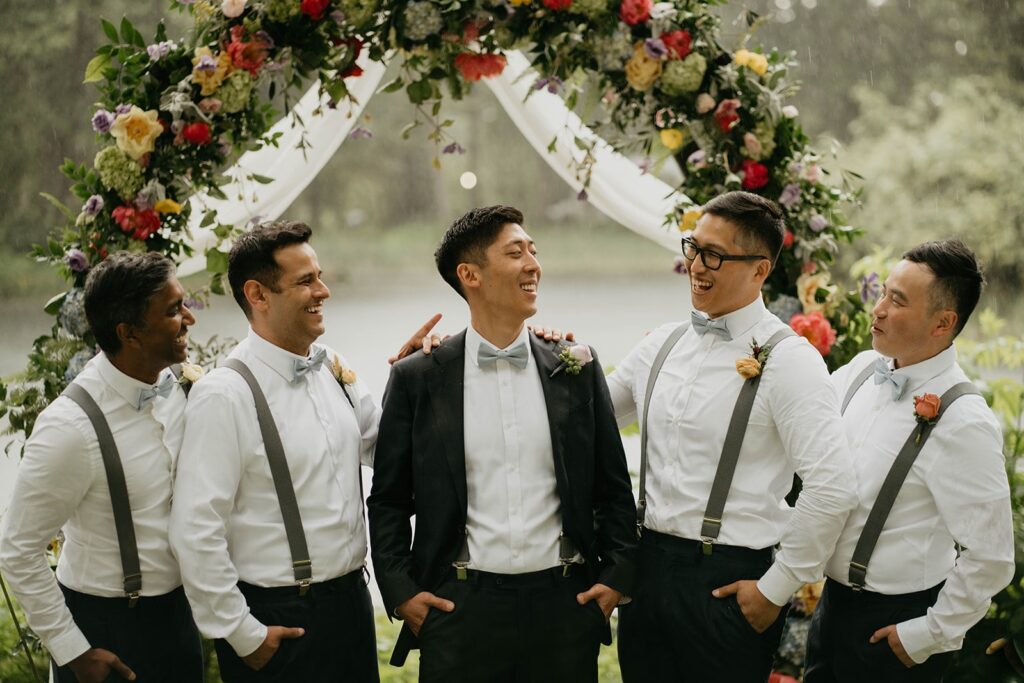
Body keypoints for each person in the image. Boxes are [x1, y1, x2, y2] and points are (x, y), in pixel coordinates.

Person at [368, 205, 637, 683]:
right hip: (459, 611)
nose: (534, 264)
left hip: (563, 608)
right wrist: (401, 590)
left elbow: (613, 485)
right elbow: (388, 499)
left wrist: (615, 576)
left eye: (534, 250)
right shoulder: (417, 377)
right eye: (516, 253)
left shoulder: (575, 366)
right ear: (470, 274)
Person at [608, 191, 858, 681]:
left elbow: (833, 486)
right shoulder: (661, 343)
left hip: (727, 583)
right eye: (693, 248)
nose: (697, 265)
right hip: (647, 573)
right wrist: (545, 353)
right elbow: (586, 416)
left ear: (760, 270)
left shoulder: (790, 360)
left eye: (714, 255)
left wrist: (775, 588)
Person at [169, 221, 381, 682]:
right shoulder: (224, 395)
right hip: (277, 621)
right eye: (306, 281)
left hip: (352, 607)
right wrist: (243, 634)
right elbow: (195, 531)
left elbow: (390, 450)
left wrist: (424, 374)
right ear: (258, 295)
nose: (323, 291)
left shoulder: (334, 369)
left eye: (319, 276)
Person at [803, 239, 1015, 682]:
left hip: (894, 628)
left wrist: (927, 634)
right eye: (882, 292)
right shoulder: (861, 370)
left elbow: (992, 555)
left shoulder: (965, 420)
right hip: (830, 611)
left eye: (896, 301)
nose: (877, 309)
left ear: (943, 323)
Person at [0, 251, 202, 683]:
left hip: (179, 621)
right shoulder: (69, 428)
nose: (190, 318)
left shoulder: (181, 387)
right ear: (129, 333)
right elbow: (18, 549)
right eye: (173, 310)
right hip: (106, 630)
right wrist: (73, 651)